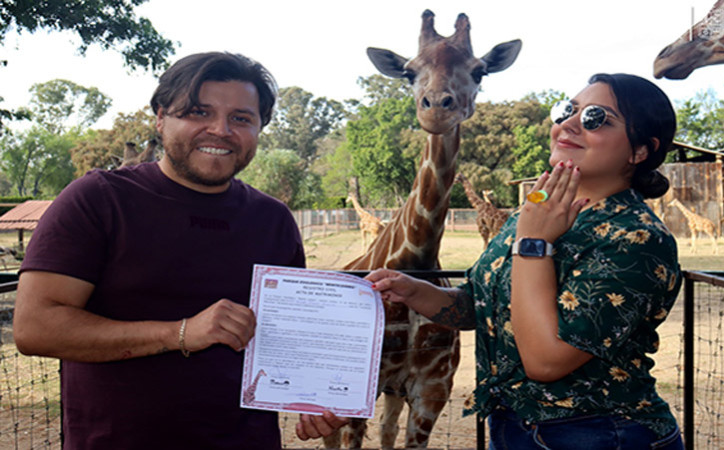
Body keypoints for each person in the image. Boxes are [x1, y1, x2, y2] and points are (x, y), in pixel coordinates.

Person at [13, 51, 347, 449]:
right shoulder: (99, 199)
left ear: (259, 128)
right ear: (160, 118)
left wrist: (318, 396)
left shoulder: (273, 220)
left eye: (241, 118)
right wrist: (181, 333)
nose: (220, 130)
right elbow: (34, 328)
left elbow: (286, 339)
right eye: (197, 112)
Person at [368, 73, 684, 449]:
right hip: (515, 427)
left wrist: (534, 243)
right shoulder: (534, 210)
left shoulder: (637, 239)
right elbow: (485, 306)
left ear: (640, 151)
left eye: (596, 118)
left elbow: (547, 362)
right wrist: (416, 292)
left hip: (600, 433)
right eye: (568, 110)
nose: (567, 124)